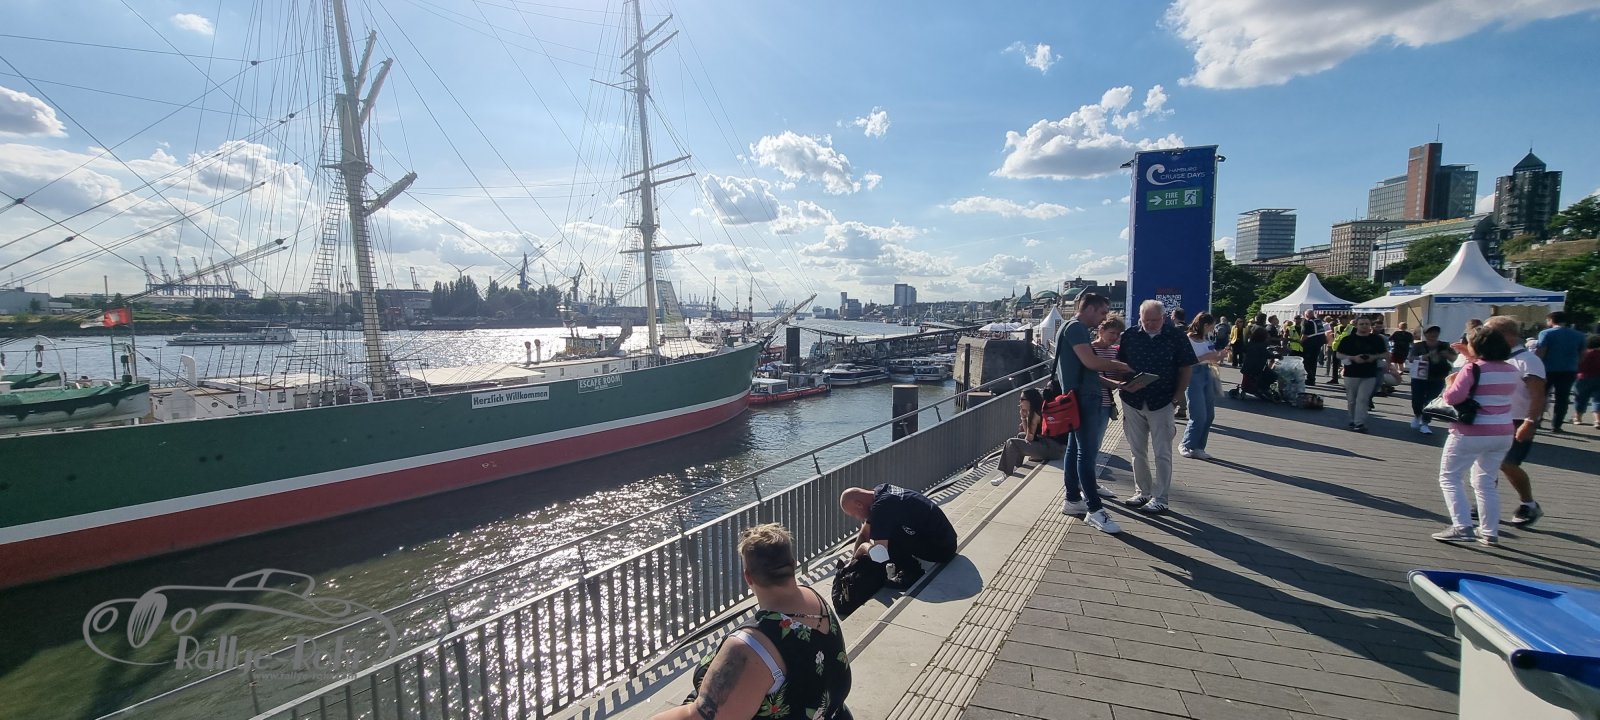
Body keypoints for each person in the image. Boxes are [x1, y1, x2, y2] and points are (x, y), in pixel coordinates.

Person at [660, 524, 851, 720]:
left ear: (748, 577)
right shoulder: (816, 600)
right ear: (792, 565)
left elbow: (700, 716)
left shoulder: (751, 646)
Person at [1054, 292, 1133, 533]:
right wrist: (1121, 365)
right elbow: (1091, 362)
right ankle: (1095, 510)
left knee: (1074, 450)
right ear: (1088, 309)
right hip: (1084, 398)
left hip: (1075, 397)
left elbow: (1082, 366)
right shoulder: (1077, 328)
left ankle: (1072, 499)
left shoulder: (1067, 327)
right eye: (1102, 312)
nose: (1104, 318)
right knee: (1086, 456)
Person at [1430, 328, 1517, 547]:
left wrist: (1450, 383)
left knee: (1450, 477)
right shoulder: (1511, 369)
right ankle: (1489, 531)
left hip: (1472, 431)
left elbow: (1452, 397)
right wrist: (1470, 356)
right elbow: (1487, 375)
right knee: (1486, 482)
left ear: (1477, 346)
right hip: (1503, 431)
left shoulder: (1472, 369)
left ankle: (1462, 527)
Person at [1118, 299, 1197, 514]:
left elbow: (1186, 368)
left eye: (1155, 320)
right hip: (1133, 399)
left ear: (1163, 317)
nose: (1150, 324)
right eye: (1146, 320)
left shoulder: (1176, 336)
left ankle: (1161, 497)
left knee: (1162, 452)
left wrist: (1177, 398)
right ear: (1140, 318)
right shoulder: (1130, 335)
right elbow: (1120, 364)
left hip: (1162, 400)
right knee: (1137, 450)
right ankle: (1142, 491)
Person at [1484, 315, 1547, 527]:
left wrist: (1530, 421)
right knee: (1486, 464)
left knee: (1508, 463)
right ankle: (1485, 502)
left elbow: (1538, 394)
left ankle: (1529, 504)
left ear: (1506, 335)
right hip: (1494, 418)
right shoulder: (1497, 357)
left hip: (1518, 420)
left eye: (1489, 333)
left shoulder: (1527, 360)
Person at [839, 484, 957, 588]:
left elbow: (880, 555)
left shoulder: (882, 509)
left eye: (854, 514)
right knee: (883, 530)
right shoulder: (881, 491)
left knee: (886, 536)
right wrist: (853, 560)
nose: (857, 518)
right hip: (947, 539)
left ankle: (912, 573)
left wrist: (863, 547)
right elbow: (864, 533)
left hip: (942, 550)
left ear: (859, 504)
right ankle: (909, 564)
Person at [994, 388, 1064, 482]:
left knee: (1011, 443)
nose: (1020, 402)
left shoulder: (1034, 414)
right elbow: (1029, 435)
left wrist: (1023, 418)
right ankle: (1016, 466)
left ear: (1030, 400)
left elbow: (1029, 438)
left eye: (1022, 399)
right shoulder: (1040, 409)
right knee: (1020, 435)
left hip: (1051, 450)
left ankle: (1007, 473)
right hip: (1055, 447)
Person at [1536, 311, 1587, 431]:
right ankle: (1557, 424)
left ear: (1551, 320)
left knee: (1541, 395)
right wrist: (1576, 364)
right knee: (1562, 398)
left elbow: (1541, 351)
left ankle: (1537, 420)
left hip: (1547, 369)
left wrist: (1537, 365)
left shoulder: (1546, 333)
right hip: (1569, 370)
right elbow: (1582, 354)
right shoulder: (1579, 335)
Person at [1181, 313, 1222, 460]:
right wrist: (1207, 357)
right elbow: (1185, 361)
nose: (1213, 329)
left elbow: (1212, 356)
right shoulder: (1188, 339)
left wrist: (1219, 355)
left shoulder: (1207, 338)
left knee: (1209, 415)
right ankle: (1187, 444)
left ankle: (1199, 447)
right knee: (1198, 414)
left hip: (1207, 373)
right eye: (1212, 326)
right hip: (1193, 374)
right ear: (1205, 325)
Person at [1334, 316, 1385, 432]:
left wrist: (1373, 357)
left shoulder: (1376, 339)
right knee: (1352, 399)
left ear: (1370, 326)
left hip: (1369, 373)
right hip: (1351, 373)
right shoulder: (1348, 339)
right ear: (1356, 326)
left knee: (1363, 398)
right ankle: (1353, 419)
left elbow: (1384, 354)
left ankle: (1359, 423)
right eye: (1362, 324)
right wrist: (1353, 358)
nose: (1364, 326)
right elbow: (1338, 355)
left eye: (1367, 324)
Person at [1406, 326, 1457, 435]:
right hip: (1420, 376)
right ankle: (1417, 415)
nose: (1433, 334)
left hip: (1438, 376)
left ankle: (1425, 423)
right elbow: (1410, 358)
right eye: (1430, 332)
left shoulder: (1444, 345)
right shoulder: (1419, 345)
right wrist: (1423, 357)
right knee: (1417, 399)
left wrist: (1446, 354)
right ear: (1425, 334)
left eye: (1436, 332)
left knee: (1431, 400)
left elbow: (1454, 358)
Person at [1575, 334, 1600, 428]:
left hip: (1583, 377)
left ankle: (1578, 418)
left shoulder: (1585, 353)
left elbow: (1579, 365)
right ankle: (1597, 420)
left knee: (1581, 398)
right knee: (1598, 399)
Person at [1300, 312, 1324, 384]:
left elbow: (1305, 335)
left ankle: (1311, 377)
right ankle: (1312, 379)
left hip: (1309, 344)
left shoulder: (1308, 322)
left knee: (1306, 361)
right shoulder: (1319, 321)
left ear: (1306, 315)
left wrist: (1300, 342)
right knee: (1313, 362)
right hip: (1318, 343)